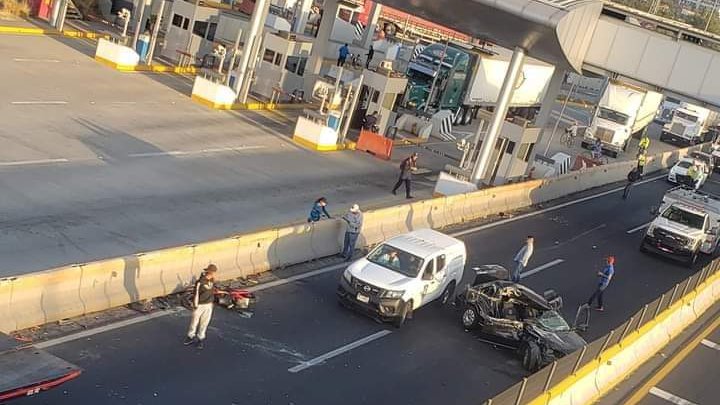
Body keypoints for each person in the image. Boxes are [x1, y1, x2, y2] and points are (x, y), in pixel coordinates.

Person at [184, 264, 222, 349]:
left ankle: (200, 339)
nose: (213, 274)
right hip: (200, 305)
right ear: (209, 272)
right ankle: (190, 336)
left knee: (204, 323)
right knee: (194, 322)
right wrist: (195, 305)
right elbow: (196, 294)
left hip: (208, 305)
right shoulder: (200, 282)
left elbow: (212, 290)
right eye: (212, 272)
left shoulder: (212, 280)